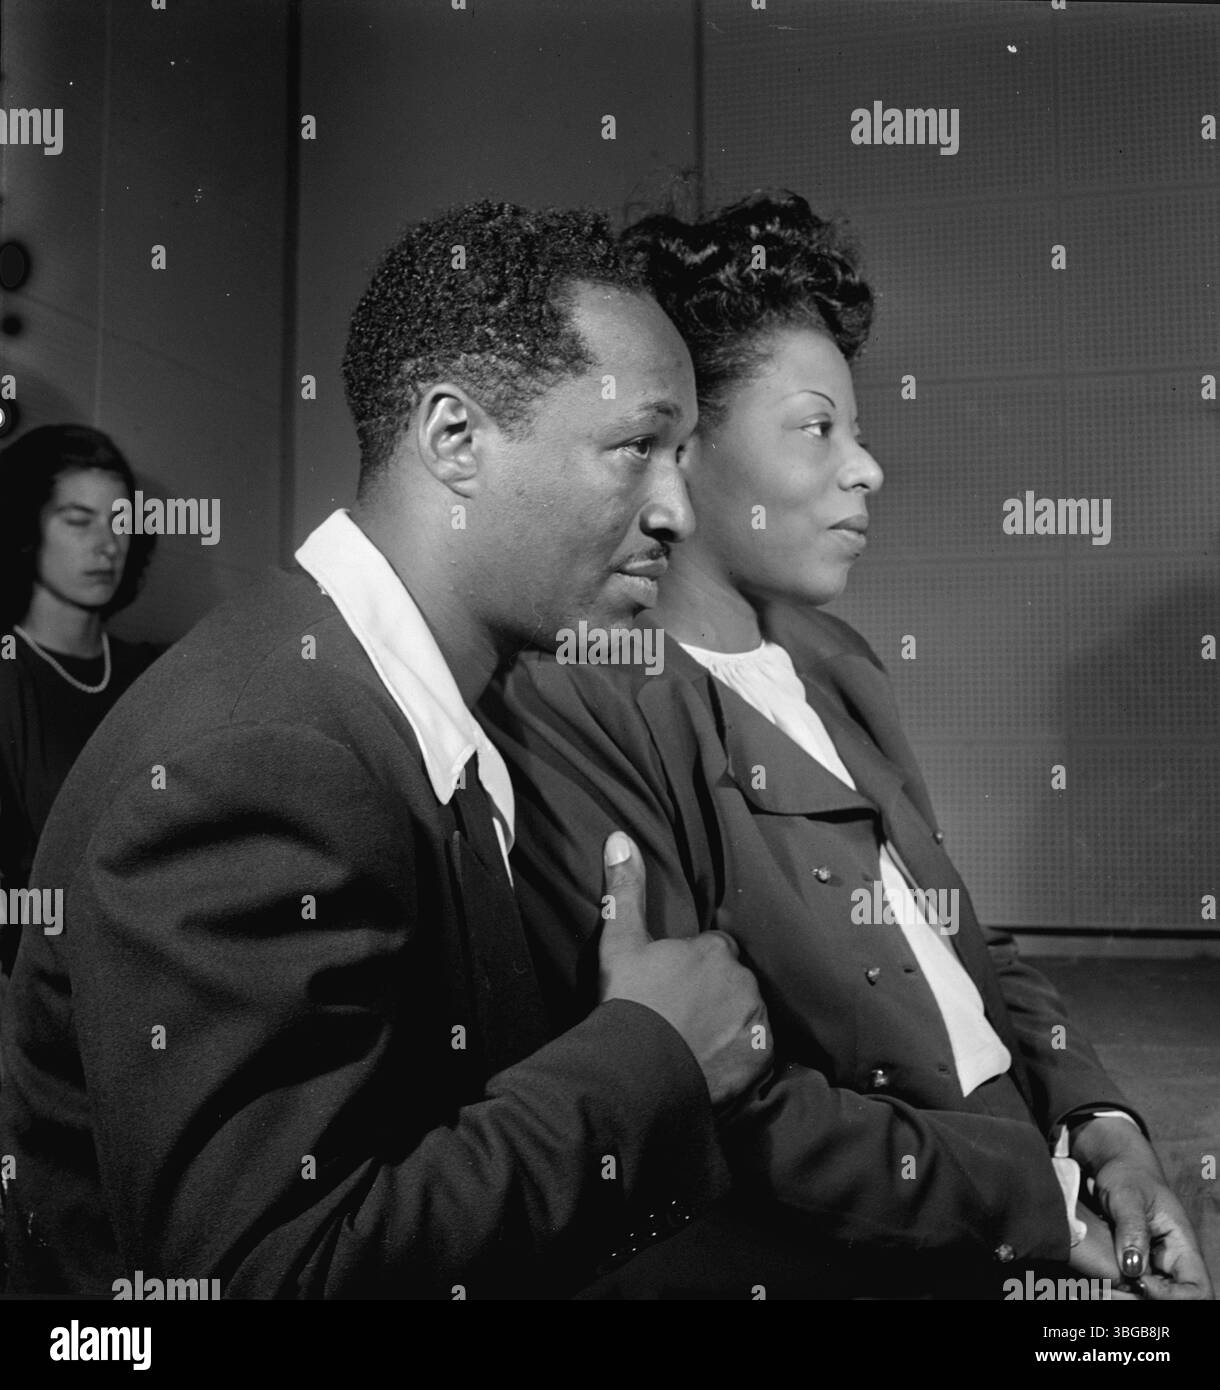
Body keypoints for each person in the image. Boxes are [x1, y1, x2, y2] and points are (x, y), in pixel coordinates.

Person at [0, 202, 771, 1298]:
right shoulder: (261, 760)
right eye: (637, 446)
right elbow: (277, 1272)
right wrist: (648, 1052)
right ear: (453, 438)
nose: (678, 511)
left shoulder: (391, 704)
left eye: (682, 457)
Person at [479, 192, 1213, 1299]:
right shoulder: (577, 700)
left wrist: (1099, 1123)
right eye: (820, 428)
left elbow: (964, 940)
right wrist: (1043, 1208)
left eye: (858, 434)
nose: (866, 469)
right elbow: (713, 1093)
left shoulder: (834, 660)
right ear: (682, 442)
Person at [0, 425, 158, 979]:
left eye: (119, 521)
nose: (107, 544)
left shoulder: (154, 673)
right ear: (26, 529)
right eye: (77, 520)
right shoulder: (9, 675)